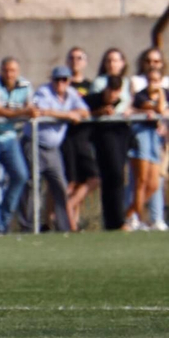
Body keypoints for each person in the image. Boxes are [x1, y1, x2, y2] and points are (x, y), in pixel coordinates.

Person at [30, 65, 89, 232]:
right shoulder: (44, 91)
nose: (60, 83)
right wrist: (68, 115)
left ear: (69, 81)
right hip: (35, 145)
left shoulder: (71, 94)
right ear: (52, 80)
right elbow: (42, 111)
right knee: (31, 186)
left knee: (61, 187)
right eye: (57, 79)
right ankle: (29, 226)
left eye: (64, 79)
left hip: (53, 149)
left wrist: (73, 112)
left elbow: (85, 111)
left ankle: (65, 228)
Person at [0, 57, 33, 234]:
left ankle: (3, 218)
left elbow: (31, 108)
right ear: (1, 71)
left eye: (12, 71)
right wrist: (22, 112)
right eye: (6, 70)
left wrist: (25, 111)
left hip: (10, 137)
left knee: (20, 176)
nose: (9, 74)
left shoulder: (25, 85)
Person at [89, 48, 135, 230]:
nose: (112, 64)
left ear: (123, 63)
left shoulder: (127, 82)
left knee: (117, 175)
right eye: (109, 60)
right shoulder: (100, 82)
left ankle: (113, 220)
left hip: (122, 130)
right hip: (106, 130)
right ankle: (117, 219)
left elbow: (132, 102)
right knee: (113, 174)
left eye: (116, 60)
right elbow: (95, 102)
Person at [126, 56, 166, 231]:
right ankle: (137, 219)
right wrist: (161, 96)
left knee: (154, 183)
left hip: (156, 138)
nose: (153, 83)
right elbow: (158, 109)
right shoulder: (142, 94)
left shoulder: (164, 91)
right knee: (141, 180)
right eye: (150, 80)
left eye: (156, 80)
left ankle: (129, 214)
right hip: (142, 135)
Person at [61, 47, 99, 228]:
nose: (75, 61)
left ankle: (69, 212)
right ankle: (70, 223)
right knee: (71, 182)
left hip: (85, 137)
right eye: (72, 58)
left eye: (79, 58)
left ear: (85, 62)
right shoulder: (63, 84)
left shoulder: (91, 86)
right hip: (67, 137)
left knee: (91, 179)